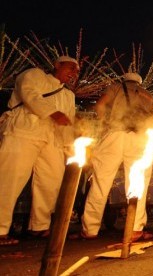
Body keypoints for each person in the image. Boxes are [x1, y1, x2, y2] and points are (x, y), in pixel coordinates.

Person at [0, 56, 79, 246]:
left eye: (76, 71)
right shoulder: (33, 75)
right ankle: (0, 229)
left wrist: (70, 147)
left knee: (51, 181)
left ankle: (40, 226)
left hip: (51, 139)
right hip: (23, 132)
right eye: (71, 68)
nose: (74, 73)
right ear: (57, 65)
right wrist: (54, 113)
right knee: (10, 180)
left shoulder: (69, 95)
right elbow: (30, 96)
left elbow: (68, 122)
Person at [72, 72, 153, 242]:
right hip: (138, 138)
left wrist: (104, 122)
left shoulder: (115, 87)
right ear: (139, 82)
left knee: (100, 183)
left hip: (114, 135)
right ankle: (135, 229)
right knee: (138, 183)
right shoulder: (148, 95)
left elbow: (101, 105)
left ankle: (90, 229)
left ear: (124, 79)